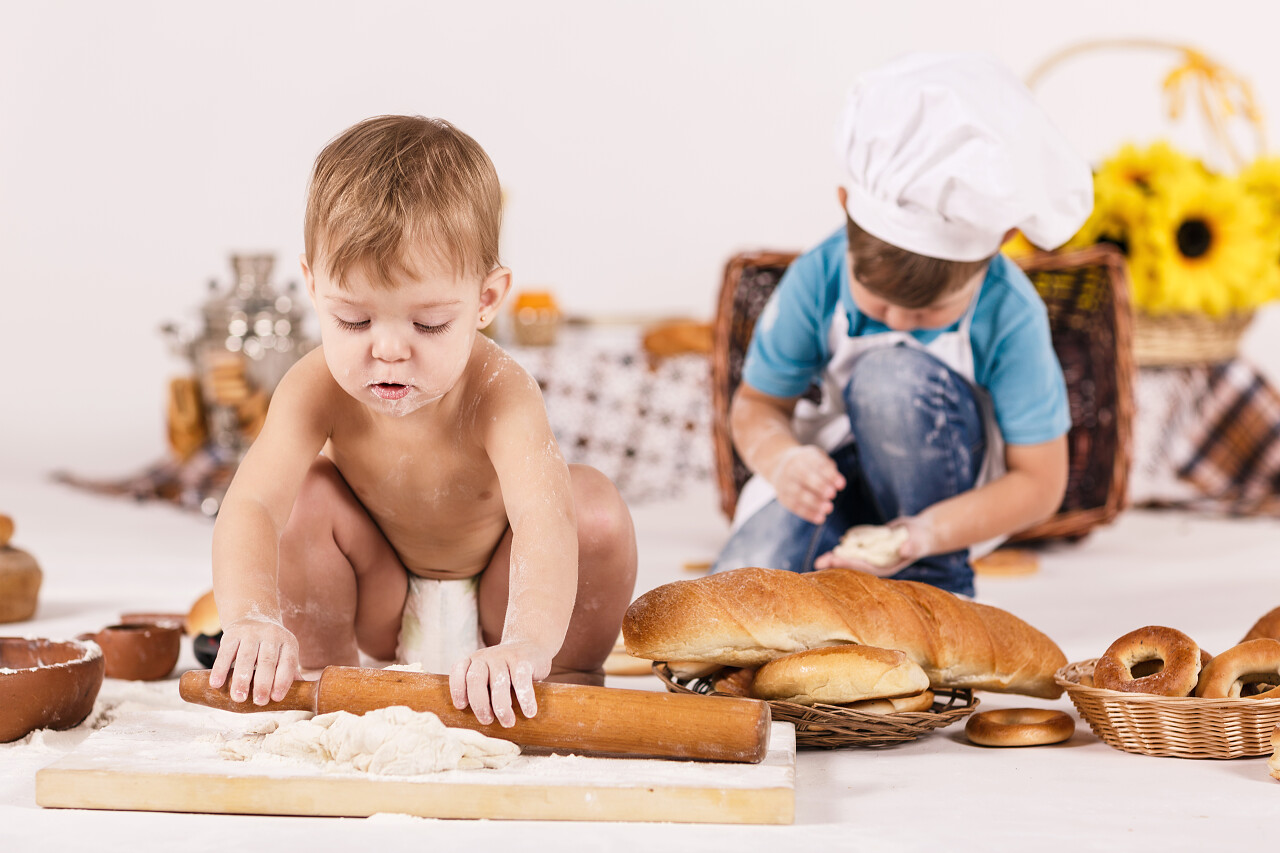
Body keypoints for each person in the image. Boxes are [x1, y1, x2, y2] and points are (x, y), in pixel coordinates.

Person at [207, 115, 638, 728]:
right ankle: (321, 675)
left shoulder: (501, 390)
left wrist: (529, 641)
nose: (388, 349)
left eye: (429, 324)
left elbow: (545, 522)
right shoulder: (313, 384)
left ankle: (563, 676)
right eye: (354, 321)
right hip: (381, 595)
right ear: (312, 286)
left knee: (590, 501)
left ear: (486, 300)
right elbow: (251, 505)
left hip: (503, 601)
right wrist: (250, 617)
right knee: (303, 494)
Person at [713, 52, 1093, 596]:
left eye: (926, 313)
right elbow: (756, 406)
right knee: (741, 592)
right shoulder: (818, 275)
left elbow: (1040, 482)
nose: (896, 322)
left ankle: (933, 583)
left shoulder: (1010, 313)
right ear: (845, 206)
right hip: (835, 477)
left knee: (889, 378)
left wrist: (926, 534)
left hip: (941, 506)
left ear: (1000, 244)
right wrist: (783, 459)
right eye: (876, 301)